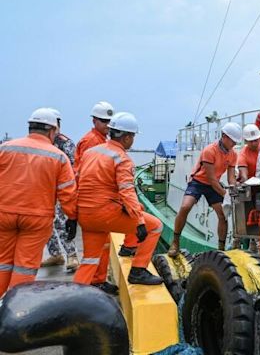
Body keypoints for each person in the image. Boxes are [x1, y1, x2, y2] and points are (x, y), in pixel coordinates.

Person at [74, 112, 163, 290]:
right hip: (105, 213)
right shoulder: (122, 158)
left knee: (90, 259)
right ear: (128, 137)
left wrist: (72, 216)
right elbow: (127, 191)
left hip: (85, 214)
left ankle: (78, 292)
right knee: (155, 226)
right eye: (133, 137)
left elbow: (77, 180)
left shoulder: (91, 152)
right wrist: (139, 221)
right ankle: (138, 271)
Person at [0, 108, 77, 296]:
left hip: (4, 214)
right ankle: (16, 309)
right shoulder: (58, 156)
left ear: (30, 127)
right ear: (52, 131)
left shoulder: (5, 148)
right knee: (24, 268)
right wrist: (72, 217)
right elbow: (67, 193)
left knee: (2, 262)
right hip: (36, 219)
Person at [168, 122, 241, 257]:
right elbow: (211, 179)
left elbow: (231, 178)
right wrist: (226, 195)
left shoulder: (233, 155)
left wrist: (235, 188)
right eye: (233, 141)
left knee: (222, 215)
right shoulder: (209, 151)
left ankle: (221, 248)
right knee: (185, 207)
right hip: (199, 182)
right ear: (224, 136)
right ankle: (175, 241)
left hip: (213, 185)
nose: (235, 144)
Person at [40, 109, 80, 271]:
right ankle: (56, 254)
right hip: (43, 191)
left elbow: (73, 169)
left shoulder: (65, 143)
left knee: (62, 224)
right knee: (45, 223)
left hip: (61, 191)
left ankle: (72, 255)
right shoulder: (41, 143)